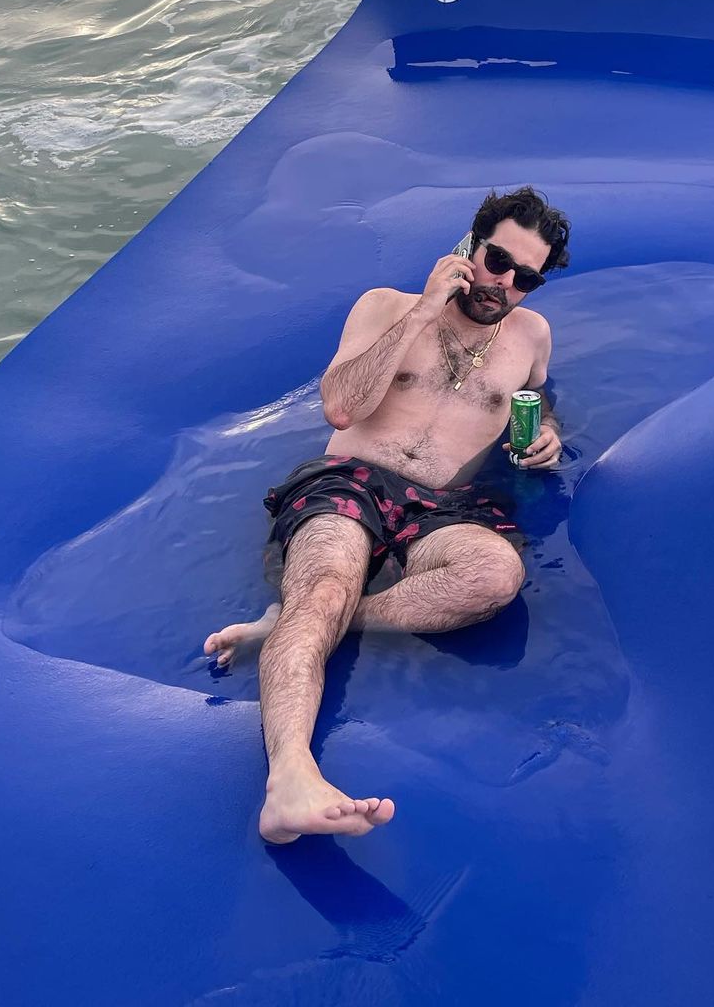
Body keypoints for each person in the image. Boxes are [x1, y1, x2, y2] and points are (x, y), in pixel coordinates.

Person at [204, 186, 571, 844]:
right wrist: (425, 310)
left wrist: (546, 431)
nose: (504, 284)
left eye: (526, 278)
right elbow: (341, 407)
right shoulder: (386, 306)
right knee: (326, 581)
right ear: (470, 247)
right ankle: (289, 780)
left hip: (444, 505)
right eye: (497, 261)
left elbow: (538, 399)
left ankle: (300, 621)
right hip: (350, 480)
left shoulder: (531, 336)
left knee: (495, 576)